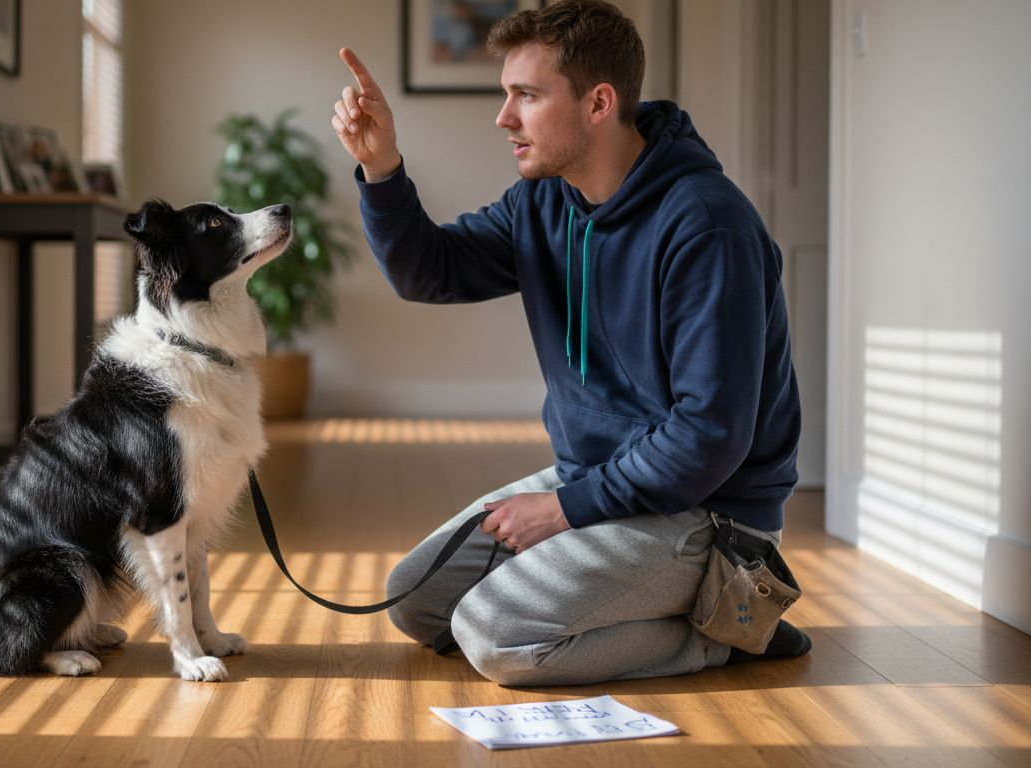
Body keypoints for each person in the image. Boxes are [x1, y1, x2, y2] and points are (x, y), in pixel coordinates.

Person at [330, 0, 810, 686]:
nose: (504, 118)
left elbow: (710, 434)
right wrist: (381, 167)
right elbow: (428, 271)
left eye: (525, 95)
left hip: (709, 514)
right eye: (507, 95)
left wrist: (560, 511)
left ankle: (728, 630)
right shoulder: (545, 202)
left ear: (598, 103)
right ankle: (658, 608)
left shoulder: (708, 228)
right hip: (598, 482)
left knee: (495, 636)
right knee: (417, 601)